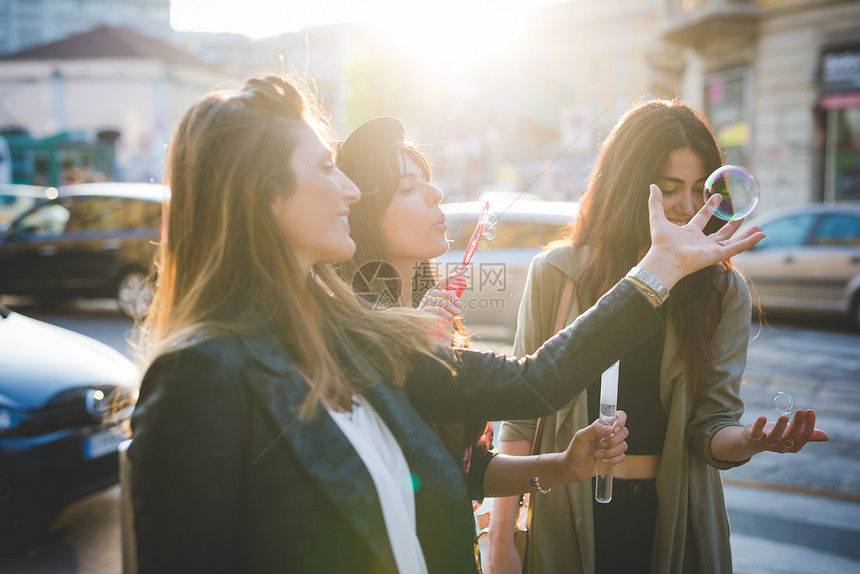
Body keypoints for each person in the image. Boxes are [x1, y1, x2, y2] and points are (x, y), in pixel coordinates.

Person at [128, 77, 764, 574]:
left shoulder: (358, 333)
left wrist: (657, 271)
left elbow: (537, 383)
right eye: (325, 168)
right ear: (261, 194)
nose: (351, 188)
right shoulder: (199, 373)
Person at [484, 99, 828, 574]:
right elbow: (520, 420)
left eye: (702, 190)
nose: (689, 207)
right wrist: (501, 540)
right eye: (670, 189)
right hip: (564, 514)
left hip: (674, 518)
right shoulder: (558, 273)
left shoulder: (721, 290)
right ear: (628, 187)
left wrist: (750, 440)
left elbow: (712, 427)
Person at [335, 116, 631, 562]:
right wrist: (656, 275)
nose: (435, 194)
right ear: (364, 218)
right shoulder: (364, 335)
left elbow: (466, 471)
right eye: (408, 189)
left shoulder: (424, 319)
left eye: (428, 181)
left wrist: (564, 465)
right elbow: (536, 382)